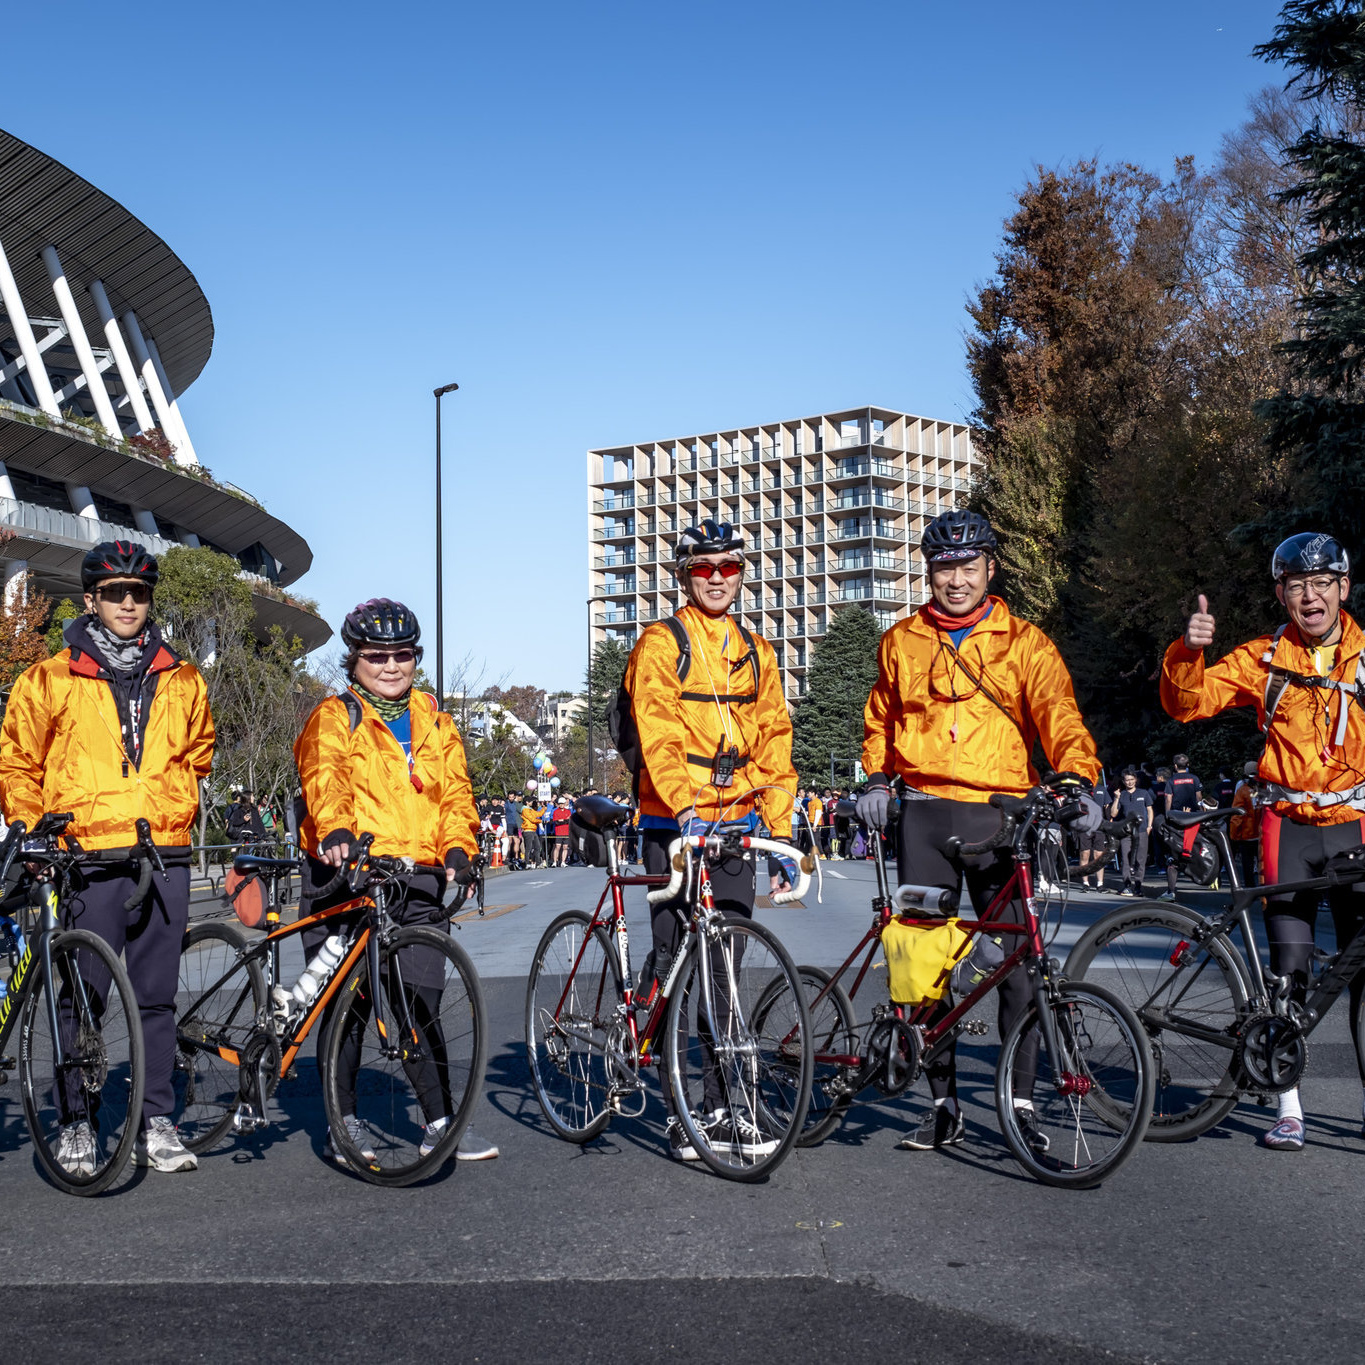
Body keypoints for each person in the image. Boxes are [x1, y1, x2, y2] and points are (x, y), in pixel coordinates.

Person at [857, 509, 1101, 1152]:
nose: (956, 580)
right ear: (928, 573)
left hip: (1002, 815)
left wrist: (1078, 778)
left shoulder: (1026, 642)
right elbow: (881, 718)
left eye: (968, 567)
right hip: (924, 815)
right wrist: (877, 779)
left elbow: (1059, 714)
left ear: (991, 568)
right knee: (922, 967)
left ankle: (1020, 1104)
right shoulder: (901, 640)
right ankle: (943, 1105)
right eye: (944, 569)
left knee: (1018, 964)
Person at [0, 541, 214, 1175]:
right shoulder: (49, 677)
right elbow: (17, 762)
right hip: (85, 856)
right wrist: (30, 828)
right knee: (82, 996)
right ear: (91, 600)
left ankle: (156, 1120)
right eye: (115, 592)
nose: (127, 602)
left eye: (138, 593)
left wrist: (175, 802)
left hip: (163, 852)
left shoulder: (184, 677)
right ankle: (76, 1120)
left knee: (156, 998)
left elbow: (198, 754)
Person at [1161, 532, 1365, 1151]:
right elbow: (1188, 704)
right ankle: (1288, 1106)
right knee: (1288, 969)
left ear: (1343, 588)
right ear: (1282, 594)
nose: (1311, 596)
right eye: (1297, 586)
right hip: (1286, 826)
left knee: (1363, 970)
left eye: (1322, 583)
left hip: (1357, 822)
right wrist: (1187, 652)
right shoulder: (1264, 657)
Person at [293, 598, 498, 1163]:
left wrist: (459, 846)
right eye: (377, 656)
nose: (390, 666)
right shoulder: (335, 716)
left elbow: (456, 794)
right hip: (349, 876)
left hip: (417, 881)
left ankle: (440, 1123)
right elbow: (324, 775)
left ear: (416, 657)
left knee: (421, 1003)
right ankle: (343, 1122)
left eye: (402, 655)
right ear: (355, 660)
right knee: (349, 1008)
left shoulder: (436, 719)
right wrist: (336, 828)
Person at [622, 519, 797, 1160]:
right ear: (684, 575)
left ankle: (724, 1107)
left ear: (742, 574)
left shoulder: (758, 650)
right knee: (676, 962)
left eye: (728, 567)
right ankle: (678, 1109)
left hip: (736, 826)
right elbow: (659, 732)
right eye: (704, 568)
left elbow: (774, 741)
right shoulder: (660, 643)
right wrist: (686, 808)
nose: (717, 578)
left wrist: (781, 831)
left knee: (725, 969)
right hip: (674, 824)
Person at [1158, 755, 1203, 900]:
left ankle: (1171, 891)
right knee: (1194, 847)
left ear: (1175, 766)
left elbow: (1168, 799)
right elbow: (1199, 797)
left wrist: (1168, 815)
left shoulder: (1171, 780)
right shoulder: (1194, 778)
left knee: (1174, 854)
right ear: (1188, 764)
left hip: (1177, 819)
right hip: (1193, 818)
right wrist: (1201, 813)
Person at [1110, 766, 1155, 897]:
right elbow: (1113, 813)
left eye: (1131, 779)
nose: (1129, 782)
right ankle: (1127, 886)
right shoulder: (1121, 795)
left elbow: (1150, 810)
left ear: (1135, 780)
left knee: (1141, 859)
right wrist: (1116, 798)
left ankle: (1138, 886)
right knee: (1126, 858)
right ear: (1123, 781)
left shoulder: (1143, 793)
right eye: (1127, 780)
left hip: (1141, 830)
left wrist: (1149, 826)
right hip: (1126, 831)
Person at [1230, 760, 1261, 889]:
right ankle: (1267, 887)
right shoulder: (1265, 788)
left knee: (1247, 865)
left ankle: (1250, 889)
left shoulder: (1242, 790)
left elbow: (1237, 814)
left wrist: (1234, 836)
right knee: (1264, 864)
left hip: (1247, 834)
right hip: (1263, 833)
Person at [520, 796, 544, 867]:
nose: (532, 803)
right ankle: (527, 863)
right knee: (529, 847)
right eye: (531, 801)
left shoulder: (530, 809)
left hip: (533, 830)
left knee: (537, 846)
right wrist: (540, 821)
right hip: (528, 830)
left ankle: (538, 863)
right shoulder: (525, 810)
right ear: (527, 802)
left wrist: (544, 808)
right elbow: (532, 819)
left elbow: (538, 814)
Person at [550, 796, 572, 866]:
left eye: (562, 803)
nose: (561, 805)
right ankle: (555, 862)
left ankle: (563, 862)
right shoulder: (556, 811)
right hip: (559, 832)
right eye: (560, 804)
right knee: (558, 847)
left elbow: (569, 821)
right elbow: (556, 822)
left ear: (565, 804)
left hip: (566, 832)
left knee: (565, 847)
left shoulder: (568, 811)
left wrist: (562, 820)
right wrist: (565, 820)